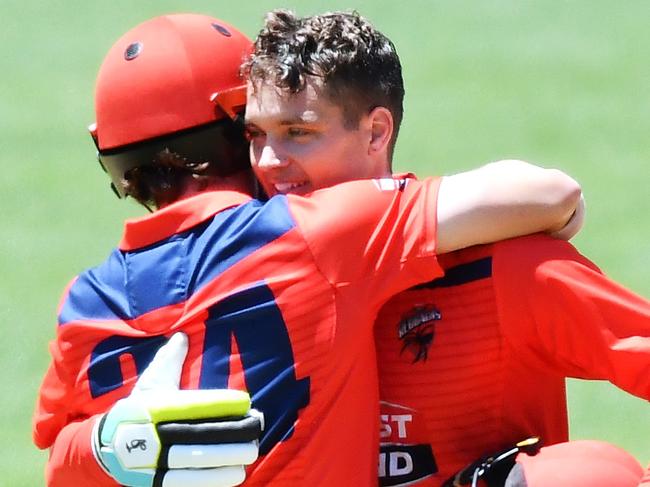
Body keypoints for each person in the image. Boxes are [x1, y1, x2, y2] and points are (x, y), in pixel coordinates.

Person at [31, 13, 583, 487]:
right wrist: (564, 214)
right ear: (236, 129)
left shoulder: (83, 301)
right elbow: (548, 194)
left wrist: (107, 445)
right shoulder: (316, 231)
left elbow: (56, 459)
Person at [240, 9, 650, 487]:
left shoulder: (503, 272)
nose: (268, 161)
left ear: (376, 132)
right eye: (255, 135)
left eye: (298, 133)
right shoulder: (243, 277)